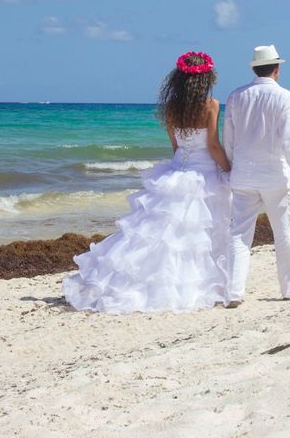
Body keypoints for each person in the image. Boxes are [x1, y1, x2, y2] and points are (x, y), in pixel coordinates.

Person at [63, 51, 232, 314]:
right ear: (207, 79)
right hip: (204, 174)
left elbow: (175, 146)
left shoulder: (172, 108)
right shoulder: (211, 105)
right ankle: (201, 286)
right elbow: (212, 144)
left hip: (177, 169)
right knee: (197, 235)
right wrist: (228, 168)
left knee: (162, 234)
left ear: (178, 80)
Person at [223, 44, 290, 308]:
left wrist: (231, 167)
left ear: (255, 68)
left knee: (239, 234)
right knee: (282, 234)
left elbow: (229, 140)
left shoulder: (236, 96)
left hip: (243, 175)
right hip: (275, 176)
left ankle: (234, 292)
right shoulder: (285, 97)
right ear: (277, 69)